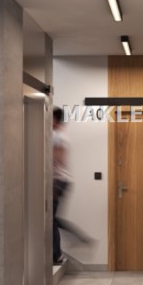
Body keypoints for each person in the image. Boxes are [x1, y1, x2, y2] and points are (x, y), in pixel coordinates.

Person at [52, 106, 93, 264]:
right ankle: (78, 239)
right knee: (52, 219)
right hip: (61, 181)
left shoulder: (58, 137)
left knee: (51, 220)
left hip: (59, 181)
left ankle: (58, 254)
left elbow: (60, 160)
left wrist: (54, 184)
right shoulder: (58, 135)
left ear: (55, 119)